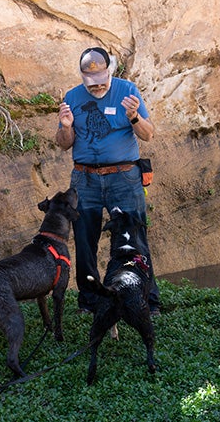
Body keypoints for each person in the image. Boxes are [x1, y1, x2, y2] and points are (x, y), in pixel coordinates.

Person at [55, 46, 161, 315]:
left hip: (123, 178)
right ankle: (90, 301)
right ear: (81, 77)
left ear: (110, 71)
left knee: (134, 238)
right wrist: (66, 127)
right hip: (85, 179)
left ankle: (147, 300)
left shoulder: (128, 91)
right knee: (84, 241)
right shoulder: (72, 97)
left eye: (102, 81)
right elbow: (63, 145)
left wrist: (134, 117)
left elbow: (148, 135)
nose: (97, 87)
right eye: (91, 83)